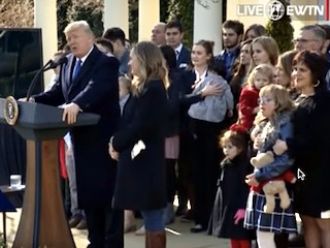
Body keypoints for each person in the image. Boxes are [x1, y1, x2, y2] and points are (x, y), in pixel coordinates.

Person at [32, 20, 123, 248]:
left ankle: (111, 244)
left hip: (104, 142)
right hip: (81, 141)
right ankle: (96, 242)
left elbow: (96, 87)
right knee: (89, 197)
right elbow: (57, 93)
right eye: (68, 37)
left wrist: (77, 104)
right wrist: (33, 101)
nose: (70, 42)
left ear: (90, 37)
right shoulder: (68, 62)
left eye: (75, 36)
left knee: (107, 199)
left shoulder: (106, 63)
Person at [109, 41, 168, 248]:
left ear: (144, 60)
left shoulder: (153, 90)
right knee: (149, 214)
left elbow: (141, 126)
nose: (130, 62)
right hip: (139, 159)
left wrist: (116, 143)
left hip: (146, 162)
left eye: (133, 58)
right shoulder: (142, 87)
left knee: (152, 217)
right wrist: (116, 142)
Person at [273, 51, 330, 248]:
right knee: (307, 219)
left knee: (324, 222)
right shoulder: (294, 101)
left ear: (316, 74)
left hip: (323, 174)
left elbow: (319, 140)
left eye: (303, 70)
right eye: (295, 69)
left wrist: (288, 145)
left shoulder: (324, 102)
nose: (296, 73)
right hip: (302, 173)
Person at [188, 40, 234, 233]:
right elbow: (177, 100)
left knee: (207, 175)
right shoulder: (185, 75)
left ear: (209, 56)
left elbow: (227, 108)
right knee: (193, 175)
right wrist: (199, 95)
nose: (195, 56)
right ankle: (199, 215)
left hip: (210, 133)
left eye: (199, 53)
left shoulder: (217, 81)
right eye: (193, 52)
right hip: (189, 132)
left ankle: (206, 218)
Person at [244, 84, 297, 248]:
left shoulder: (285, 124)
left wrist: (260, 175)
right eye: (261, 99)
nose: (262, 103)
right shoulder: (268, 123)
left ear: (279, 103)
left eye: (268, 99)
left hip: (273, 184)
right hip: (263, 184)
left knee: (265, 235)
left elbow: (285, 159)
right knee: (262, 235)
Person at [208, 124, 252, 248]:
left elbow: (247, 189)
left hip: (240, 207)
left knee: (242, 237)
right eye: (225, 147)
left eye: (230, 147)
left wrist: (244, 208)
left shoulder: (245, 166)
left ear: (240, 148)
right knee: (233, 236)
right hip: (229, 206)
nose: (226, 150)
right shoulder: (226, 164)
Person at [237, 63, 275, 131]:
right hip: (249, 123)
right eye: (258, 80)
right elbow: (243, 108)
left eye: (264, 80)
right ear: (253, 80)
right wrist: (254, 110)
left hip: (264, 122)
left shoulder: (271, 92)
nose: (261, 83)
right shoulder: (248, 92)